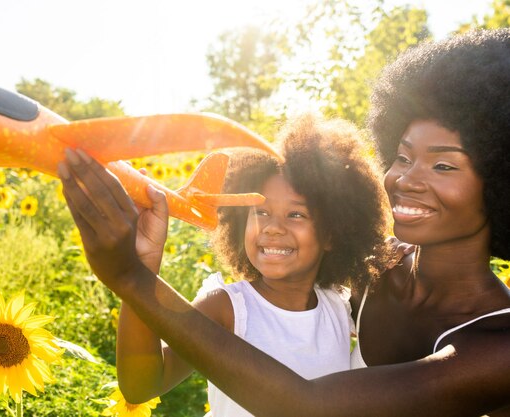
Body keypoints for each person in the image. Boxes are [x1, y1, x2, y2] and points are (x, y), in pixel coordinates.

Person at [59, 28, 510, 416]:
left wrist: (130, 278)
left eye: (444, 166)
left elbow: (306, 406)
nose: (406, 180)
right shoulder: (378, 267)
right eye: (403, 156)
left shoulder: (499, 345)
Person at [115, 114, 391, 416]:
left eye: (295, 215)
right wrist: (141, 267)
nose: (272, 227)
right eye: (260, 212)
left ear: (332, 234)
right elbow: (141, 386)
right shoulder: (226, 308)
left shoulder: (339, 307)